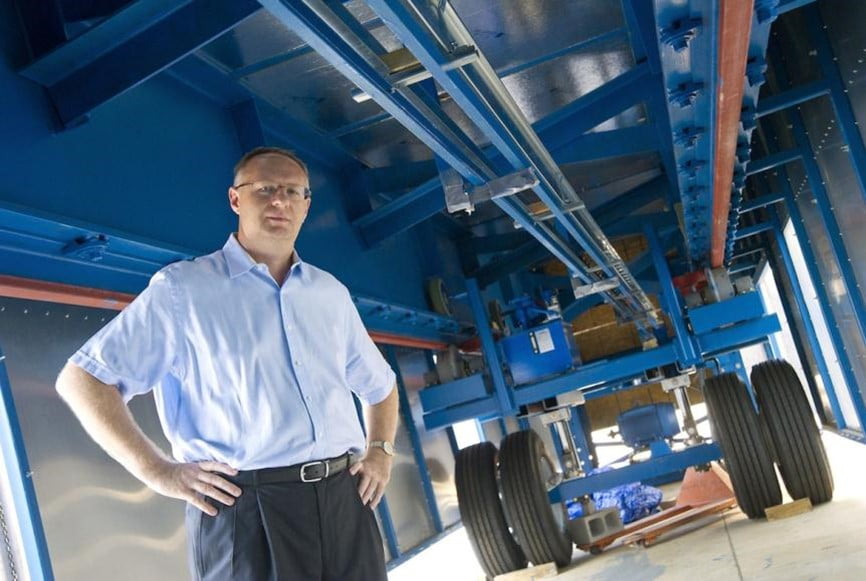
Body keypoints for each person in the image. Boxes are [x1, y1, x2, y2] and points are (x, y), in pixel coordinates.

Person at [55, 147, 399, 580]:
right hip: (245, 510)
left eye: (293, 191)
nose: (280, 201)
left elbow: (380, 385)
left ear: (307, 205)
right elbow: (83, 378)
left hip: (343, 499)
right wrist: (157, 470)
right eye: (265, 189)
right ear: (236, 199)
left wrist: (381, 451)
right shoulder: (184, 289)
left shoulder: (329, 293)